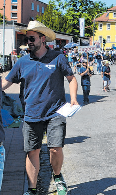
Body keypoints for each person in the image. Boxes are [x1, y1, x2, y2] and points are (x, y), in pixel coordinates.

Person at [1, 21, 78, 195]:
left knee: (55, 148)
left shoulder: (58, 57)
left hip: (55, 111)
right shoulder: (22, 62)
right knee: (32, 151)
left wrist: (73, 98)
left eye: (31, 38)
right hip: (31, 113)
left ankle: (57, 176)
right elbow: (7, 81)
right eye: (27, 38)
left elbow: (71, 78)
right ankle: (32, 189)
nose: (28, 42)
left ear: (42, 39)